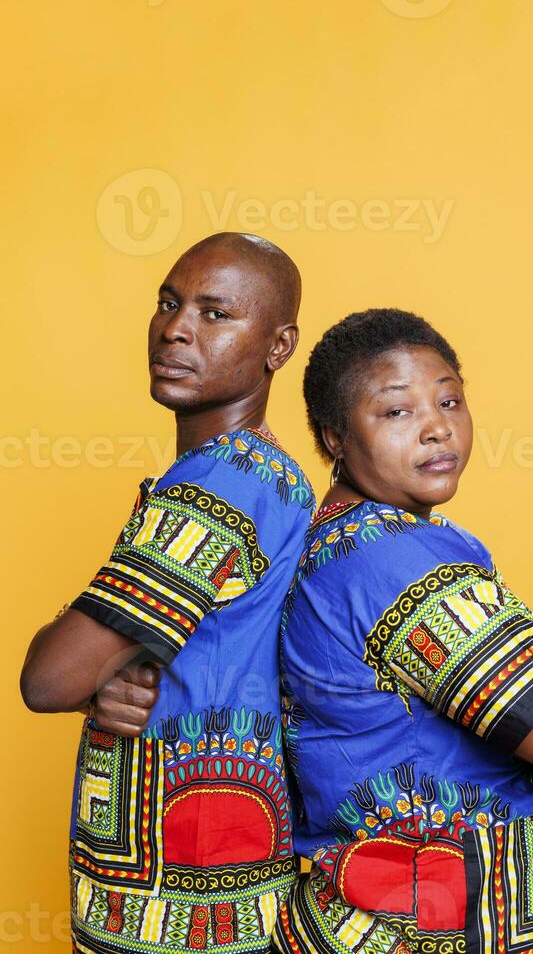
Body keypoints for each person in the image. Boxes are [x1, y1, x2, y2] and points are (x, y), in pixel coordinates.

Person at [271, 309, 533, 954]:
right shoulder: (392, 563)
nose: (438, 427)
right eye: (397, 412)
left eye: (450, 401)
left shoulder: (340, 540)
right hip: (410, 930)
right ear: (333, 438)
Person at [20, 233, 315, 954]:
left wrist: (87, 664)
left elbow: (47, 676)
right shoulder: (272, 475)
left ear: (278, 347)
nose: (176, 327)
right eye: (169, 303)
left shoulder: (221, 485)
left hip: (183, 891)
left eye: (217, 314)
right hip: (220, 874)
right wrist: (105, 676)